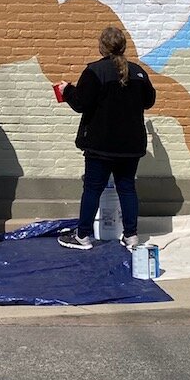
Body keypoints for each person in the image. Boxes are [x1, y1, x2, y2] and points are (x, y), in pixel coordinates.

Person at [57, 26, 156, 250]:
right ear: (124, 47)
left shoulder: (95, 72)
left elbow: (81, 103)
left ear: (101, 47)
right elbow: (149, 101)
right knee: (127, 188)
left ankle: (83, 236)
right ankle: (131, 236)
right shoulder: (138, 72)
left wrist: (67, 90)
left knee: (93, 189)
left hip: (100, 145)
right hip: (130, 146)